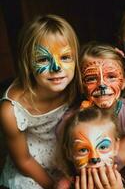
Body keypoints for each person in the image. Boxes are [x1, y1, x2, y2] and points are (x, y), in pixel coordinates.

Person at [0, 14, 81, 188]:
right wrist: (52, 186)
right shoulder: (12, 110)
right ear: (27, 63)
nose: (56, 68)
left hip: (70, 161)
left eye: (65, 57)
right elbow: (24, 161)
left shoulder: (76, 85)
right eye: (43, 59)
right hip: (33, 171)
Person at [56, 42, 125, 137]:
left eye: (111, 77)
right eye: (91, 79)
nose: (102, 84)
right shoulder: (70, 120)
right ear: (81, 85)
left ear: (124, 82)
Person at [57, 106, 125, 189]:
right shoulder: (64, 186)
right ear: (69, 153)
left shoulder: (118, 182)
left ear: (116, 147)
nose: (94, 158)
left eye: (103, 147)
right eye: (83, 150)